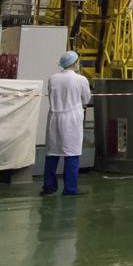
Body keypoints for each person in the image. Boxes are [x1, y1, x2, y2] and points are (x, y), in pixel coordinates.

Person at [42, 51, 93, 196]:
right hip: (72, 119)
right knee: (72, 154)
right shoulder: (81, 79)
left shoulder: (52, 78)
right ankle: (70, 188)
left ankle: (48, 187)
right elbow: (86, 99)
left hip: (54, 117)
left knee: (52, 153)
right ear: (75, 63)